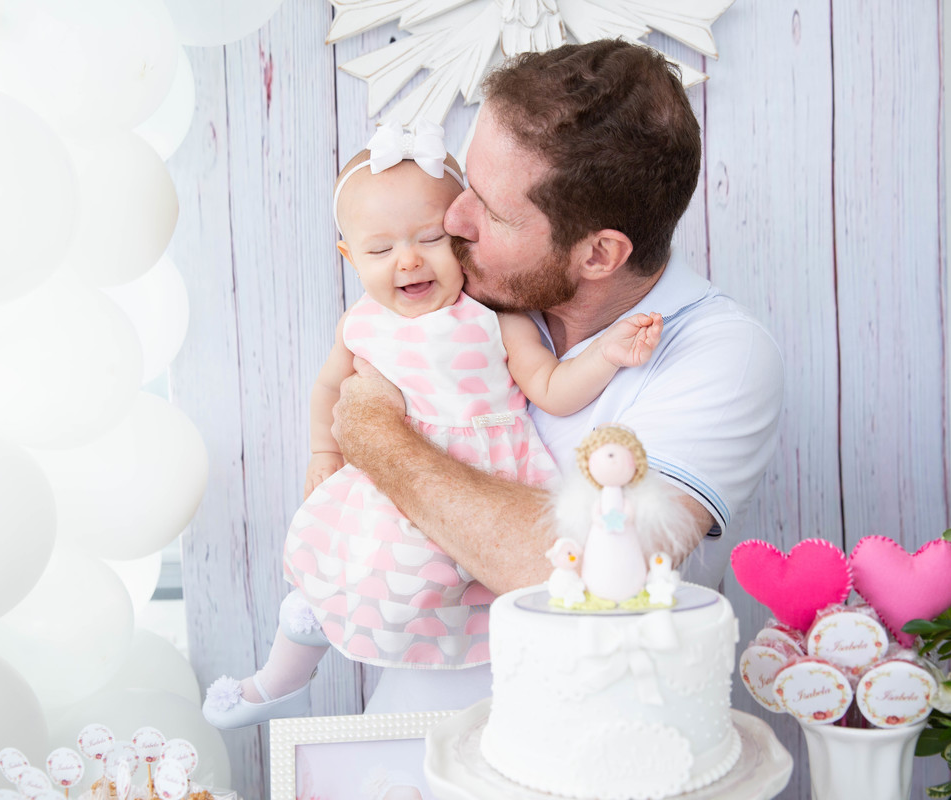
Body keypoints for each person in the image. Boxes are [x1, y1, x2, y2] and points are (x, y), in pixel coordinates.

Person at [330, 39, 784, 714]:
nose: (451, 219)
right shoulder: (462, 295)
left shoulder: (719, 356)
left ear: (599, 253)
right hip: (407, 731)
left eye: (490, 207)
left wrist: (376, 435)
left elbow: (586, 569)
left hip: (586, 748)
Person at [201, 120, 666, 729]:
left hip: (488, 487)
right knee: (342, 578)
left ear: (465, 240)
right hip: (391, 493)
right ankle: (283, 678)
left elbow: (551, 388)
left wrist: (606, 356)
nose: (408, 260)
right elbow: (327, 389)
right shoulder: (362, 324)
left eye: (429, 238)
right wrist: (323, 452)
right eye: (379, 249)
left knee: (494, 601)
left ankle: (522, 712)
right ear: (349, 257)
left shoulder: (496, 318)